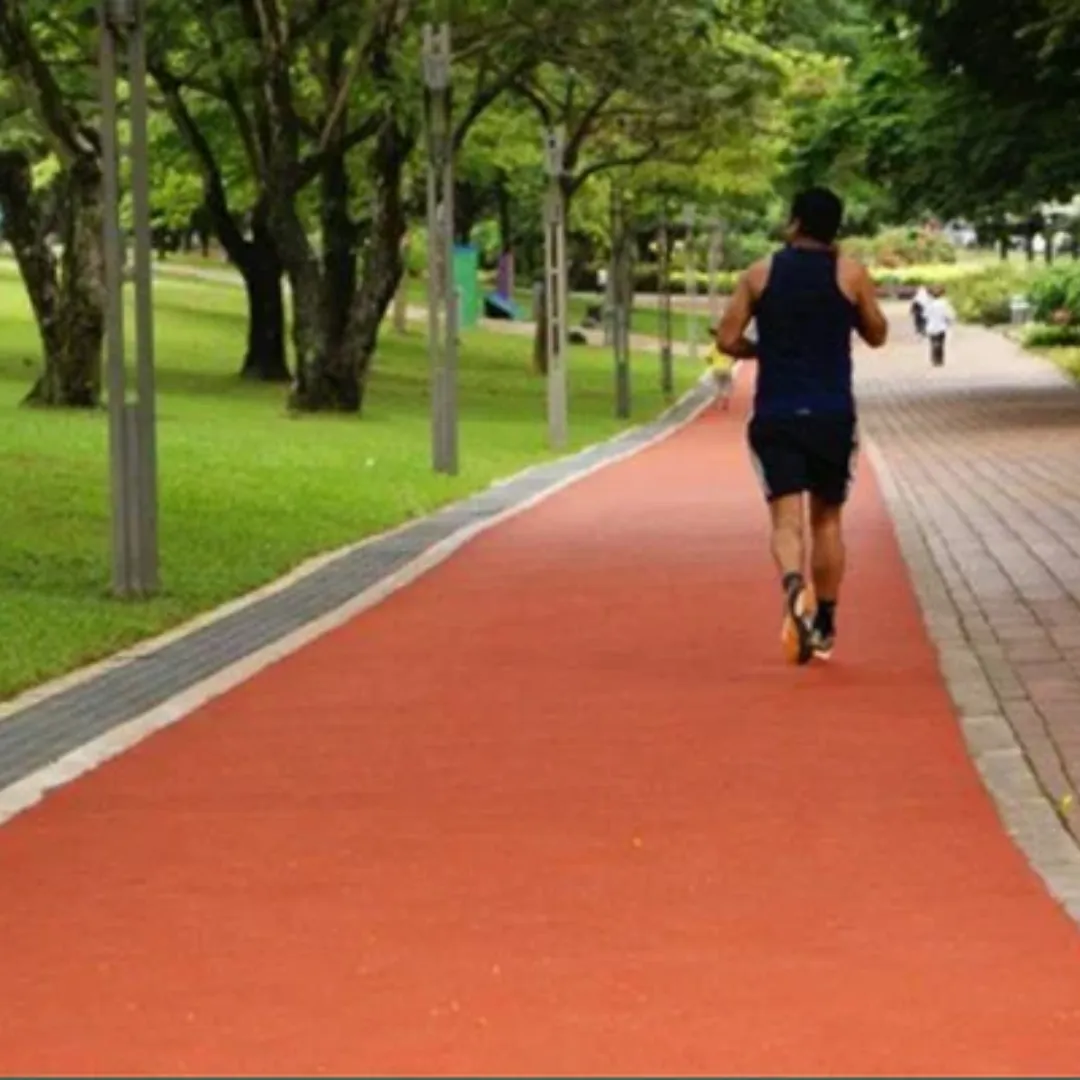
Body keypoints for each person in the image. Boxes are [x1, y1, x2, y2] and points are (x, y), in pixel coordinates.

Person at [716, 186, 889, 664]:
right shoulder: (850, 273)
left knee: (786, 519)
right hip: (833, 414)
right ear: (835, 228)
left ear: (794, 223)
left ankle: (794, 584)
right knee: (828, 518)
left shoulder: (759, 274)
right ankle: (827, 619)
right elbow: (877, 333)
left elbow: (729, 338)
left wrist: (762, 349)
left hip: (777, 412)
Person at [704, 331, 738, 411]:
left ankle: (717, 403)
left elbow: (708, 358)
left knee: (717, 386)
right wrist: (730, 363)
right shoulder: (727, 346)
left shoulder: (713, 346)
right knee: (727, 386)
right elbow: (734, 357)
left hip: (716, 368)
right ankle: (725, 401)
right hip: (727, 368)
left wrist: (712, 363)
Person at [924, 284, 955, 366]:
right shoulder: (944, 304)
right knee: (940, 343)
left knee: (933, 342)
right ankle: (939, 359)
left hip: (931, 327)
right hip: (941, 327)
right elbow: (949, 314)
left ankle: (934, 358)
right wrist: (950, 321)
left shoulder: (929, 304)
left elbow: (925, 315)